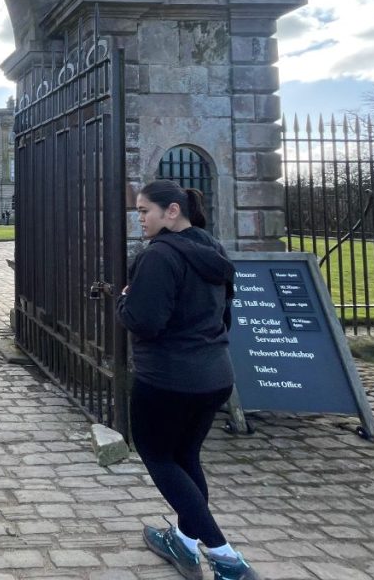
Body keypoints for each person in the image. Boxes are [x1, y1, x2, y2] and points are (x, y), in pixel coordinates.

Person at [116, 180, 257, 580]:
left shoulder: (160, 256)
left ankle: (228, 559)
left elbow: (145, 322)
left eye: (145, 211)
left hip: (168, 380)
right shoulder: (211, 248)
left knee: (159, 457)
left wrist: (124, 300)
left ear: (171, 211)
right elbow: (223, 313)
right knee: (186, 457)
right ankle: (184, 541)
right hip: (214, 375)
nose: (140, 218)